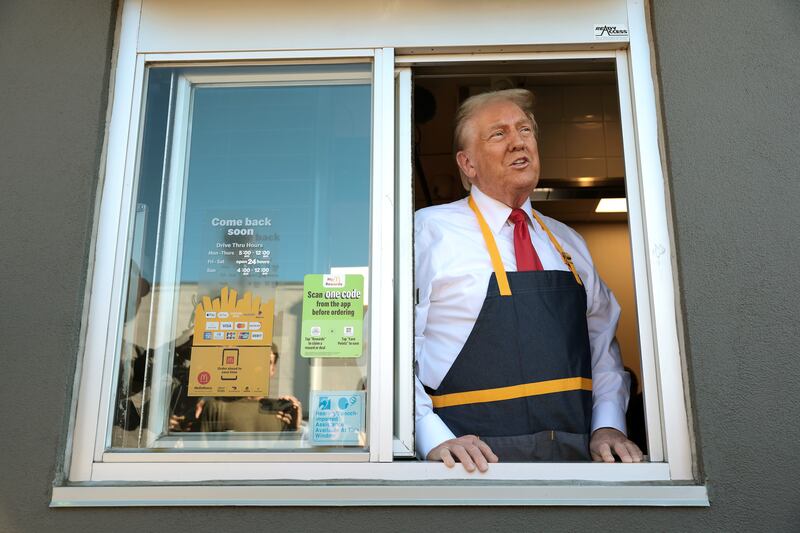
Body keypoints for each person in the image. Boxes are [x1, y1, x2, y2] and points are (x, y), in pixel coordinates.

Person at [414, 89, 643, 472]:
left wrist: (608, 425)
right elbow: (391, 353)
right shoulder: (428, 231)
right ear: (467, 163)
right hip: (468, 470)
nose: (518, 141)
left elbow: (602, 346)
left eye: (524, 130)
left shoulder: (569, 242)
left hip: (574, 468)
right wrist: (430, 435)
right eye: (498, 134)